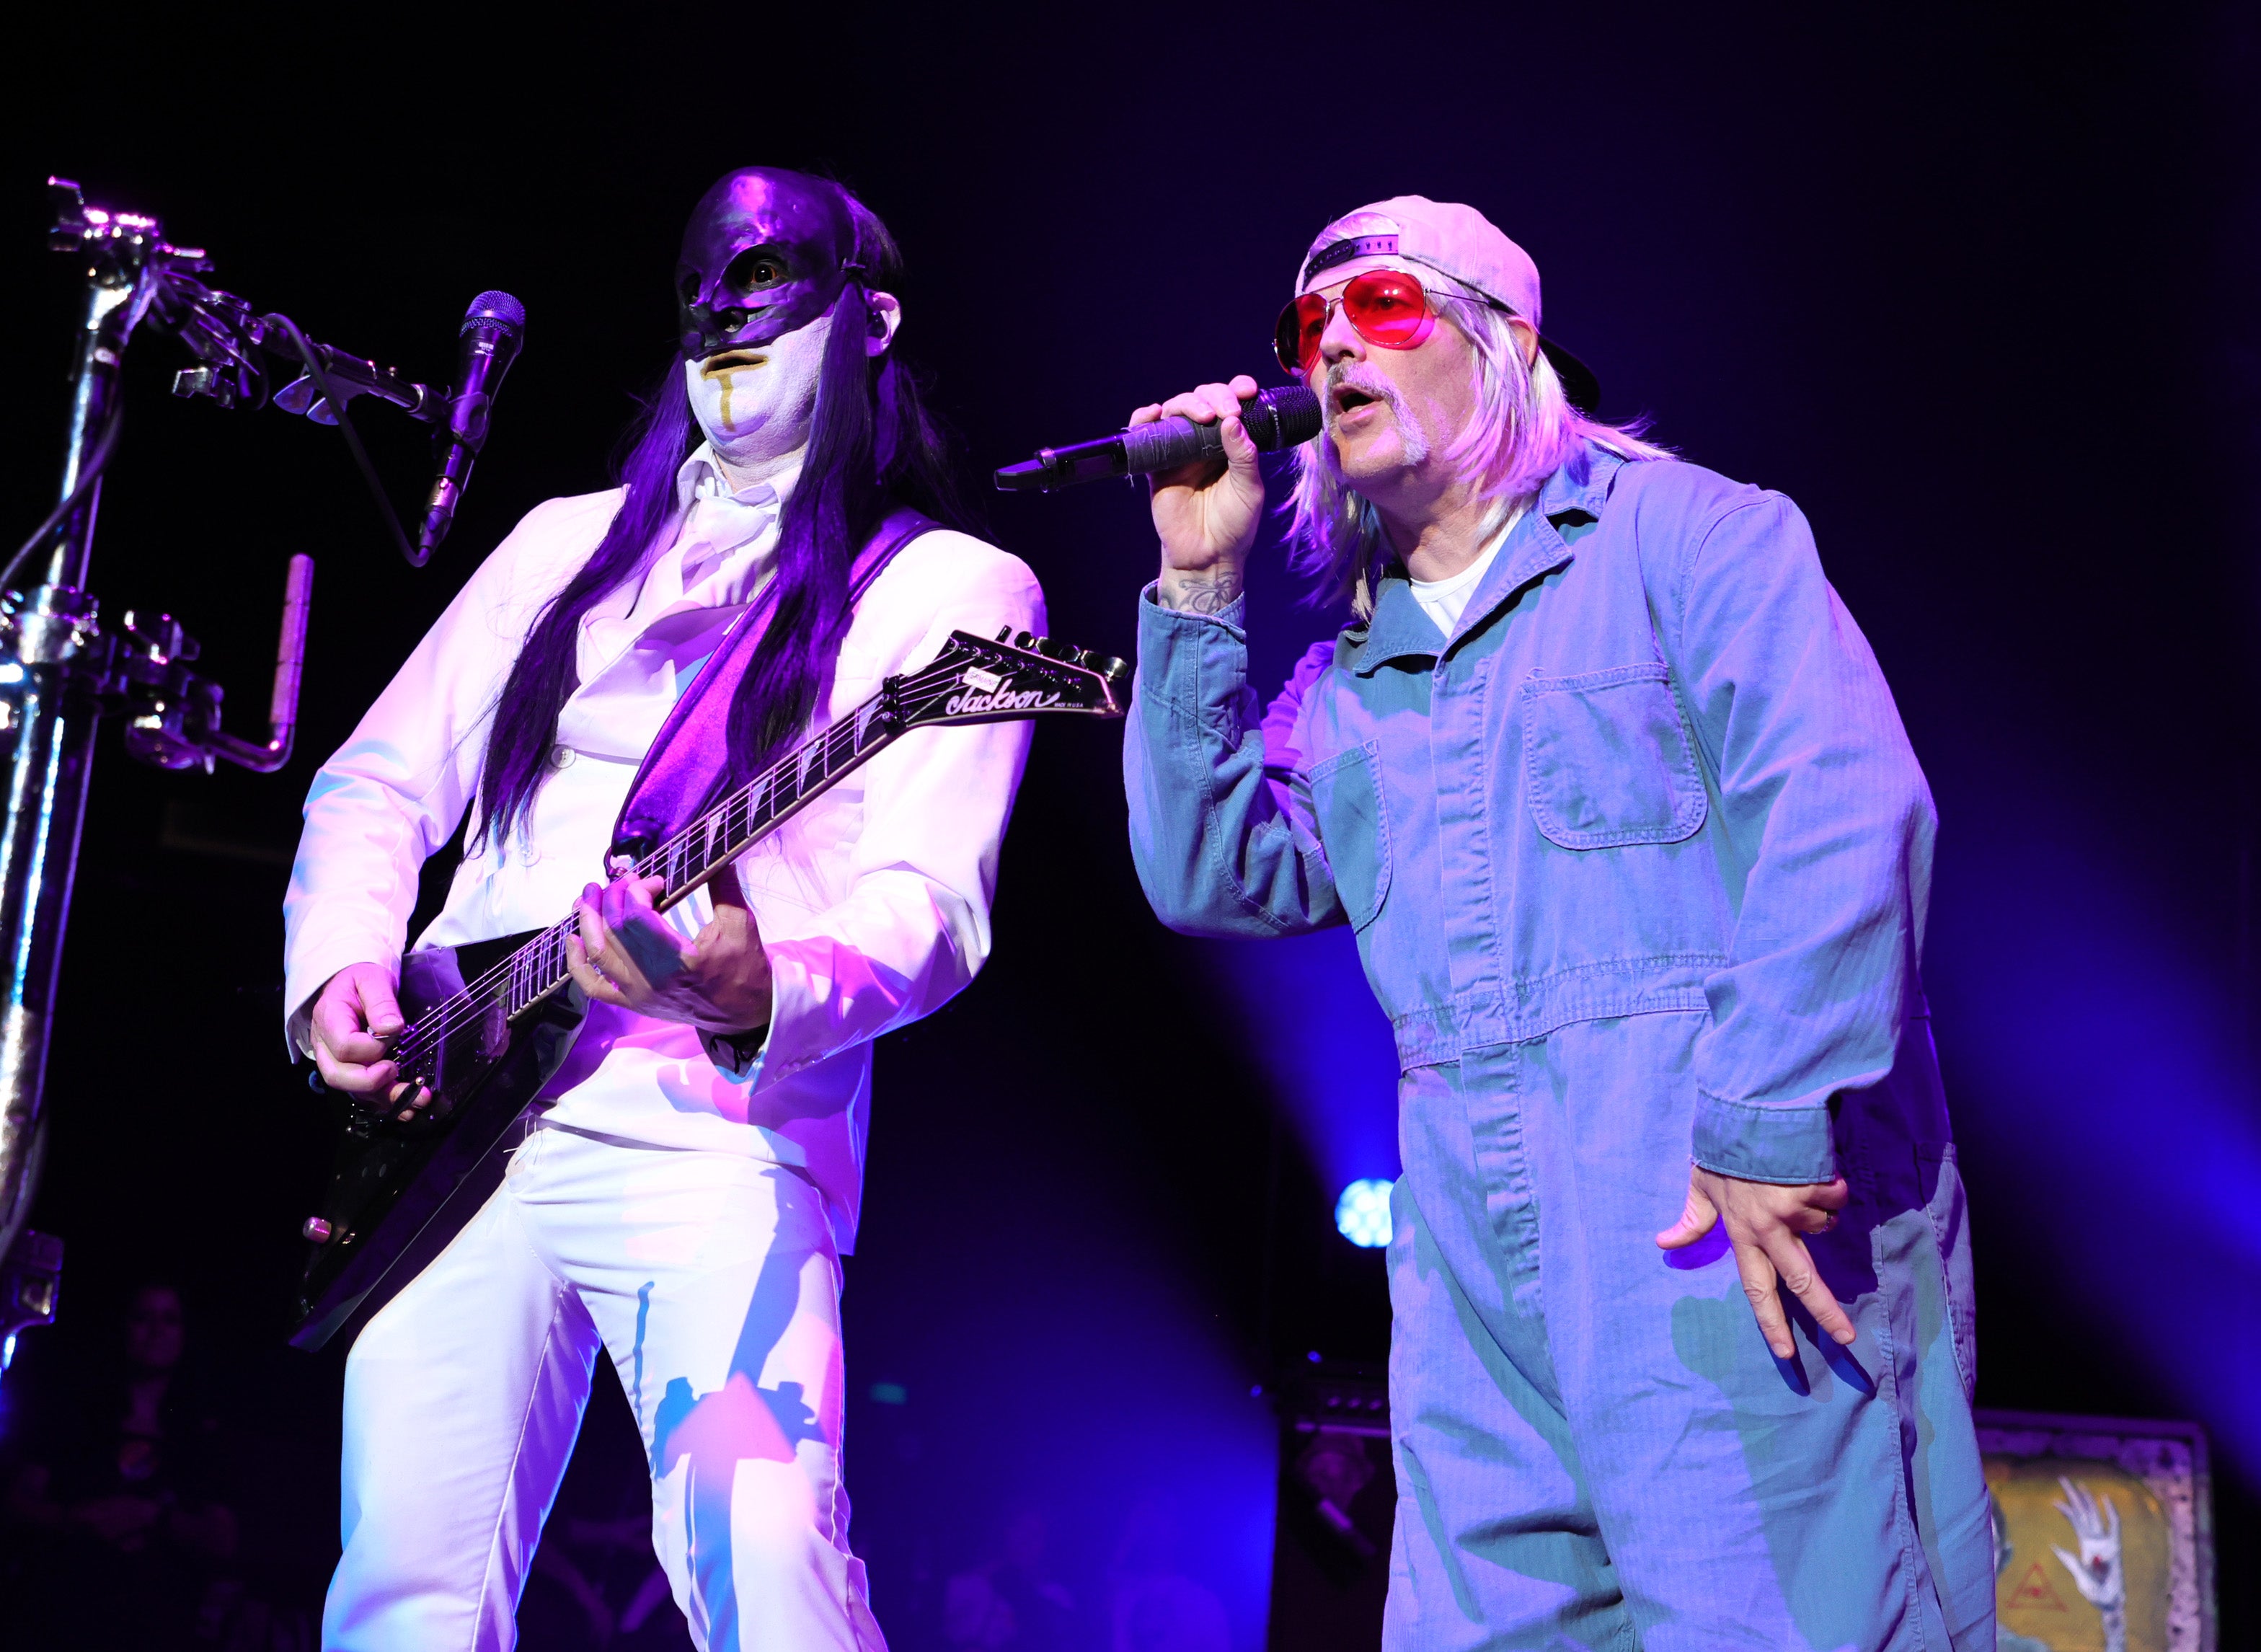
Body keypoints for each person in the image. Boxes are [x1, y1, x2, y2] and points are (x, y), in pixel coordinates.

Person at [1120, 197, 1992, 1649]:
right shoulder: (1353, 669)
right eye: (1304, 328)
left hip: (1721, 1230)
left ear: (1504, 340)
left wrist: (1765, 1125)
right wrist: (1196, 583)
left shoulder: (1697, 541)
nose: (1331, 343)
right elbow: (1207, 869)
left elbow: (1845, 820)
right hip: (1472, 1302)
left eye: (1383, 308)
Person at [285, 166, 1043, 1652]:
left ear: (868, 316)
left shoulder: (949, 587)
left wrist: (755, 980)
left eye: (767, 284)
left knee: (762, 1563)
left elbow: (933, 907)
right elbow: (373, 782)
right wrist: (338, 976)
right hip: (461, 1117)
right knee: (402, 1595)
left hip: (713, 1133)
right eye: (702, 289)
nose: (723, 320)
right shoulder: (563, 543)